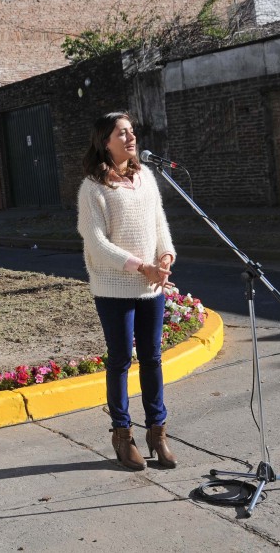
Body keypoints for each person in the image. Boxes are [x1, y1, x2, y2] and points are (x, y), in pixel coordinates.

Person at [77, 111, 178, 471]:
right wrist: (141, 266)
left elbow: (159, 223)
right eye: (122, 133)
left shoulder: (146, 176)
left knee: (152, 358)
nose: (130, 138)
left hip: (152, 286)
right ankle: (123, 435)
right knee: (120, 359)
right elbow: (97, 242)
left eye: (132, 132)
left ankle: (157, 433)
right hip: (114, 287)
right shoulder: (93, 187)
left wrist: (165, 255)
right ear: (106, 141)